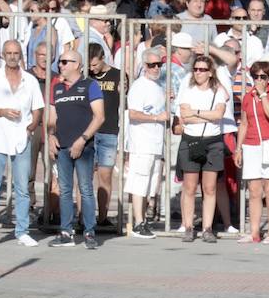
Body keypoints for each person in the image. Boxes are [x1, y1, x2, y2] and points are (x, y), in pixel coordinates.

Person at [0, 40, 45, 248]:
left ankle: (21, 231)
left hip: (21, 138)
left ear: (21, 55)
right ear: (3, 55)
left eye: (16, 53)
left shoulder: (30, 80)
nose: (13, 56)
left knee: (22, 187)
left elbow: (38, 107)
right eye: (9, 53)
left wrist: (31, 127)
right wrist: (1, 111)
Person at [47, 49, 105, 249]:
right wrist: (51, 134)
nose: (60, 65)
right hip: (62, 146)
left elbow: (99, 116)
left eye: (64, 62)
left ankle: (89, 231)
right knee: (64, 190)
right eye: (60, 62)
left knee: (86, 189)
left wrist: (83, 139)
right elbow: (52, 120)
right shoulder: (57, 89)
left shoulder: (90, 85)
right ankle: (66, 232)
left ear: (77, 64)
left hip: (84, 147)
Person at [175, 53, 229, 243]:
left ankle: (207, 228)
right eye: (196, 69)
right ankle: (188, 226)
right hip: (191, 139)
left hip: (212, 140)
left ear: (210, 73)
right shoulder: (187, 89)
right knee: (189, 186)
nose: (198, 73)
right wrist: (206, 114)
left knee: (210, 187)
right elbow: (185, 116)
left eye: (202, 70)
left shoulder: (218, 91)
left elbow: (218, 115)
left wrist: (196, 112)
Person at [235, 60, 269, 243]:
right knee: (254, 191)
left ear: (268, 78)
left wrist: (263, 94)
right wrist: (238, 148)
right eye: (255, 76)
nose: (258, 80)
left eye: (262, 76)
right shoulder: (247, 97)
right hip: (252, 145)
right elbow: (244, 123)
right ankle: (254, 232)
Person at [125, 47, 169, 238]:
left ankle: (142, 220)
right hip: (142, 143)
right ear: (144, 66)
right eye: (151, 65)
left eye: (158, 64)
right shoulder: (139, 86)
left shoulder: (157, 86)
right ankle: (138, 222)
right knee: (139, 183)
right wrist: (157, 118)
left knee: (150, 186)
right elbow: (133, 113)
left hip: (155, 144)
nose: (155, 68)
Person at [87, 44, 122, 229]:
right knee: (85, 176)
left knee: (105, 175)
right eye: (89, 65)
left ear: (102, 58)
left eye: (94, 65)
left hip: (108, 130)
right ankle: (83, 216)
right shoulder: (86, 76)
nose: (92, 69)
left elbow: (123, 100)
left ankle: (102, 217)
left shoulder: (117, 75)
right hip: (88, 131)